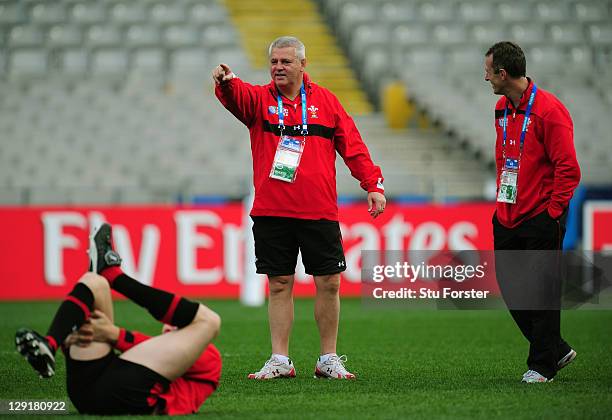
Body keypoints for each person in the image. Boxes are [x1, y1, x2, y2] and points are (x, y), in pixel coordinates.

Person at [212, 36, 386, 380]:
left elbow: (352, 146)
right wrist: (227, 82)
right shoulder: (259, 100)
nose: (278, 67)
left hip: (318, 209)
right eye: (274, 61)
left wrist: (373, 184)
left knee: (330, 283)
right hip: (272, 210)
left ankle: (328, 358)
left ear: (302, 65)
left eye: (285, 62)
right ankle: (280, 359)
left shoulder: (326, 102)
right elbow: (236, 97)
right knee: (279, 283)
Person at [15, 223, 222, 415]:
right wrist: (70, 337)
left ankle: (113, 275)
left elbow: (169, 351)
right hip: (90, 388)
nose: (170, 323)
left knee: (209, 321)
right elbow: (157, 351)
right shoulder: (152, 354)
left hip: (135, 398)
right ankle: (50, 344)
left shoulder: (211, 358)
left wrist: (114, 334)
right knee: (95, 282)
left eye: (179, 322)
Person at [484, 42, 581, 383]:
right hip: (508, 214)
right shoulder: (501, 107)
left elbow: (568, 168)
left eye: (488, 71)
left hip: (541, 214)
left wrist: (552, 212)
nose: (485, 77)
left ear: (503, 74)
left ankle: (543, 365)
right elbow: (505, 157)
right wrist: (501, 205)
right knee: (512, 288)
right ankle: (556, 347)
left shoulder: (550, 111)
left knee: (541, 291)